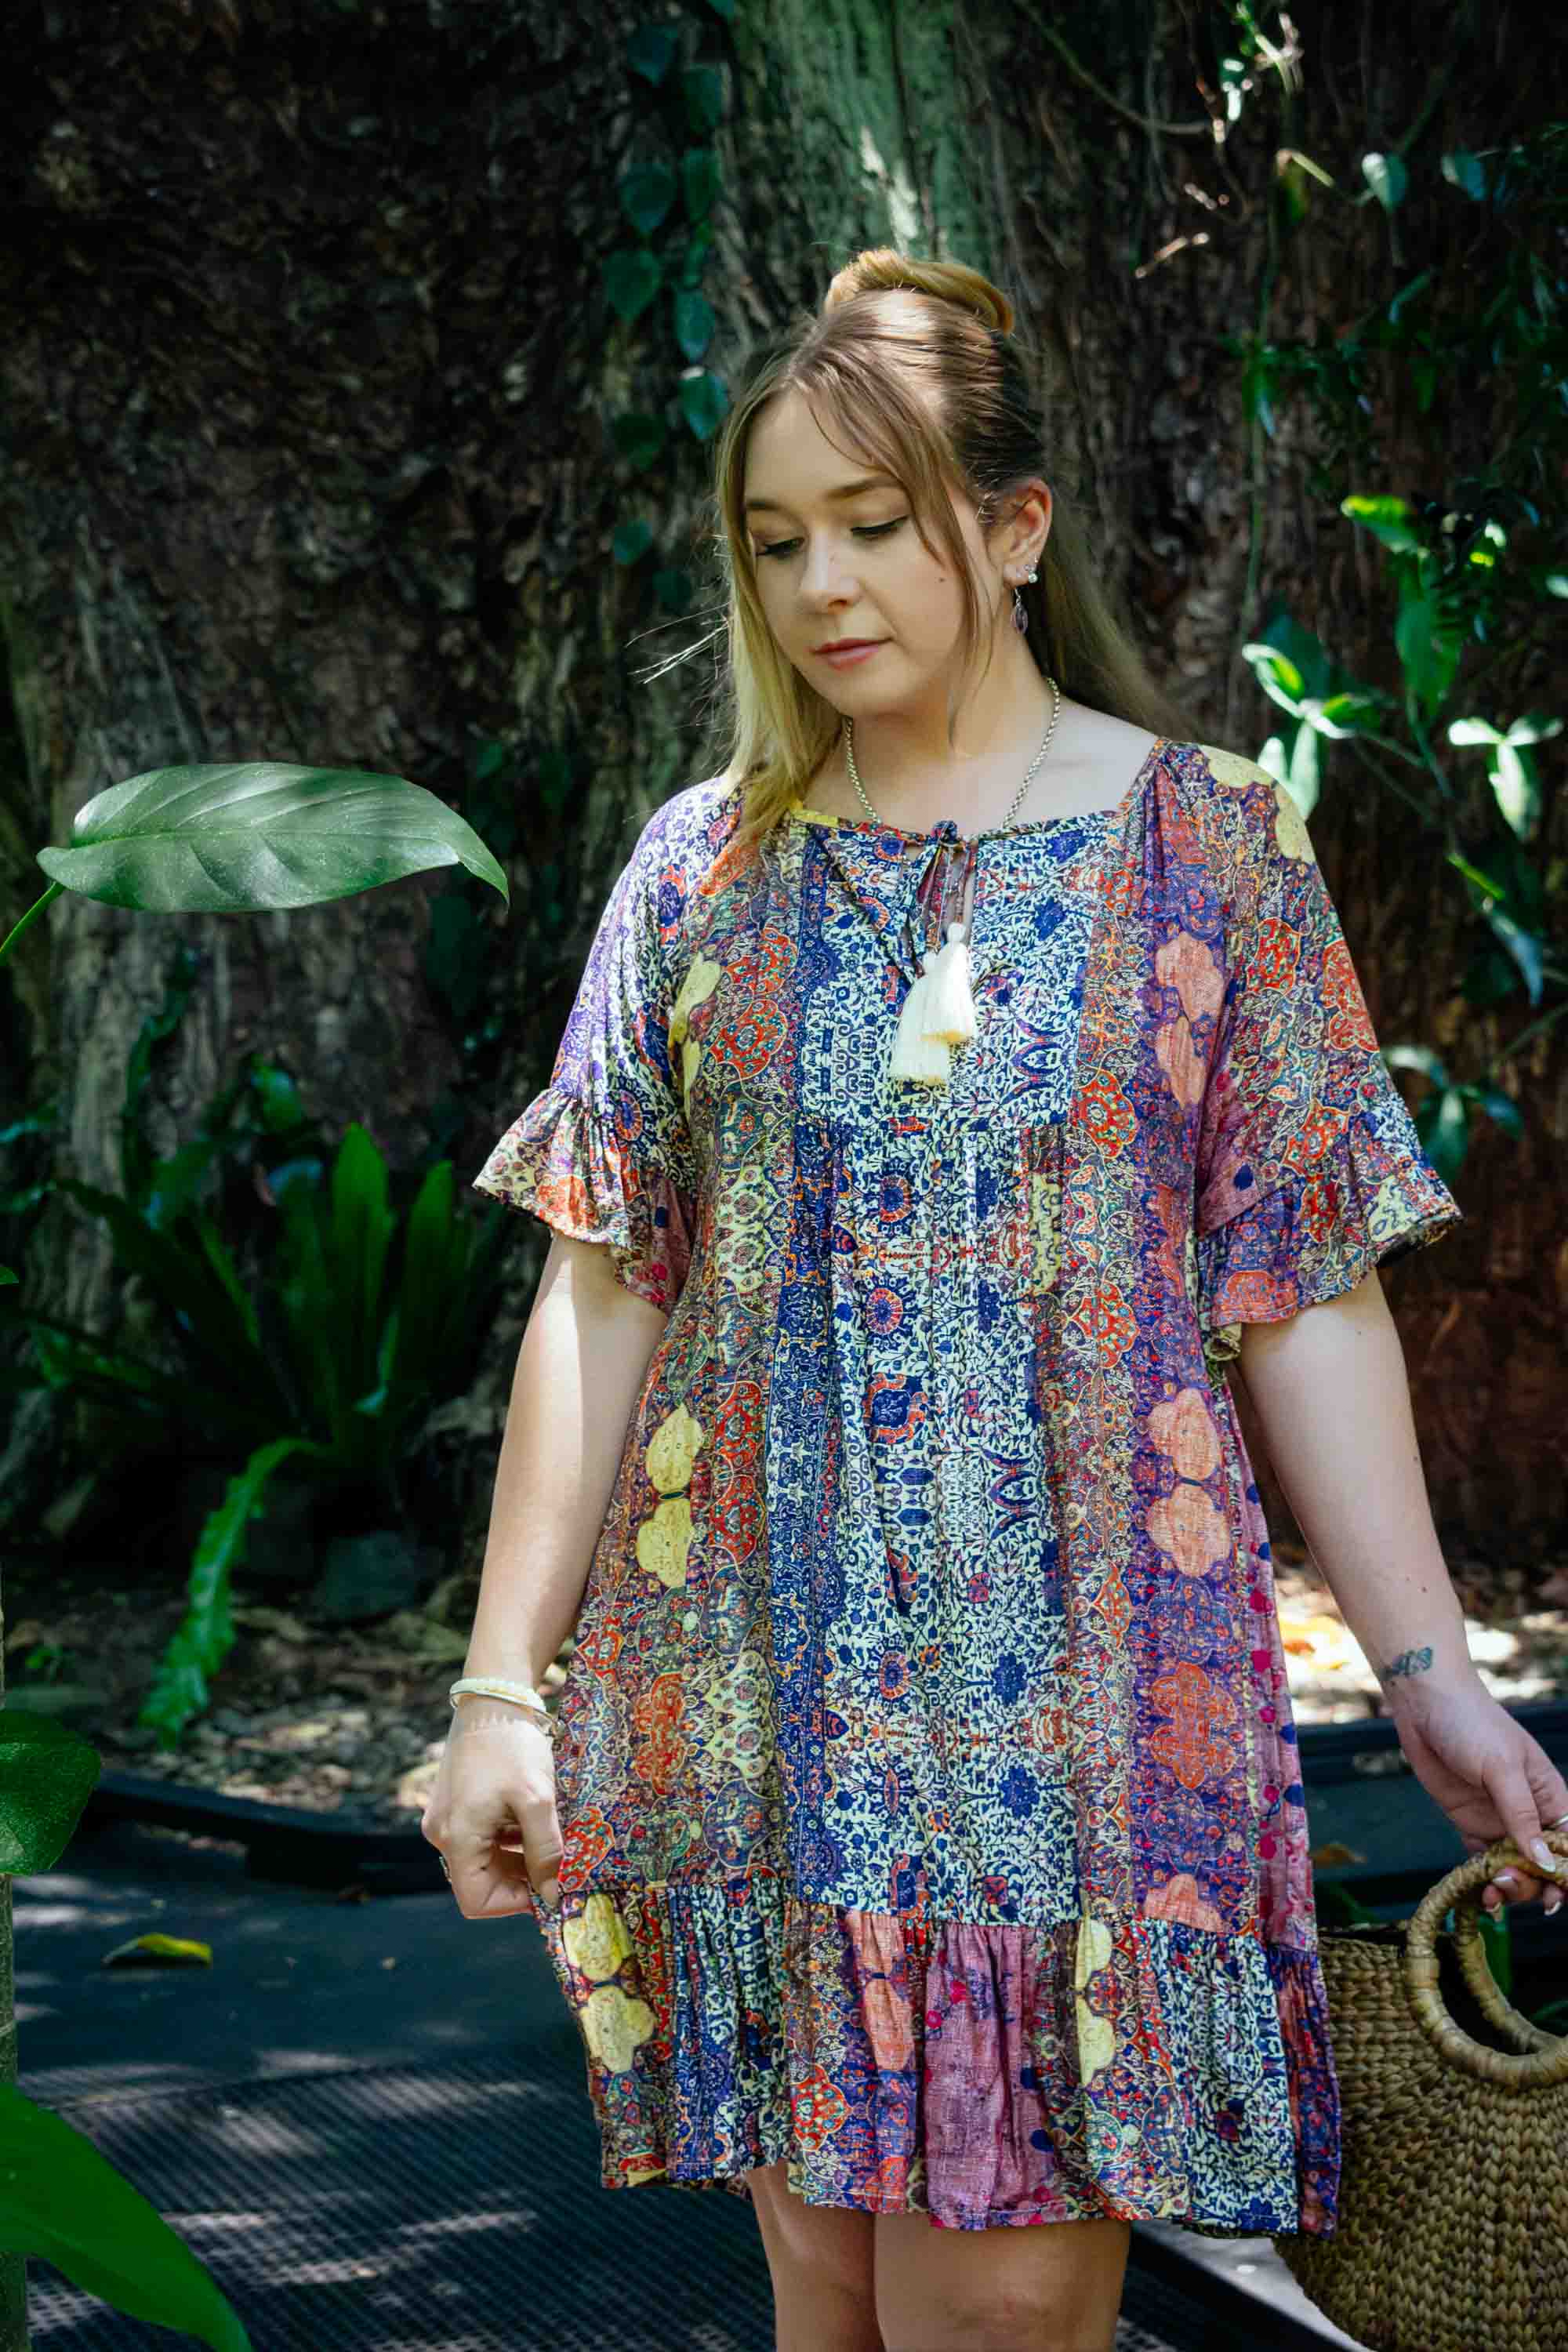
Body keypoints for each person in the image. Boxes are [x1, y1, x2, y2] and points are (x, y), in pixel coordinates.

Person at [421, 249, 1568, 2352]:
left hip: (1087, 1720)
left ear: (1018, 528)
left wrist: (1430, 1676)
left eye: (877, 524)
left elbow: (1305, 1294)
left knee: (998, 2315)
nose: (822, 583)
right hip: (757, 1703)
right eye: (779, 539)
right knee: (828, 2299)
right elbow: (603, 1287)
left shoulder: (1209, 847)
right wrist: (502, 1688)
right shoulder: (702, 867)